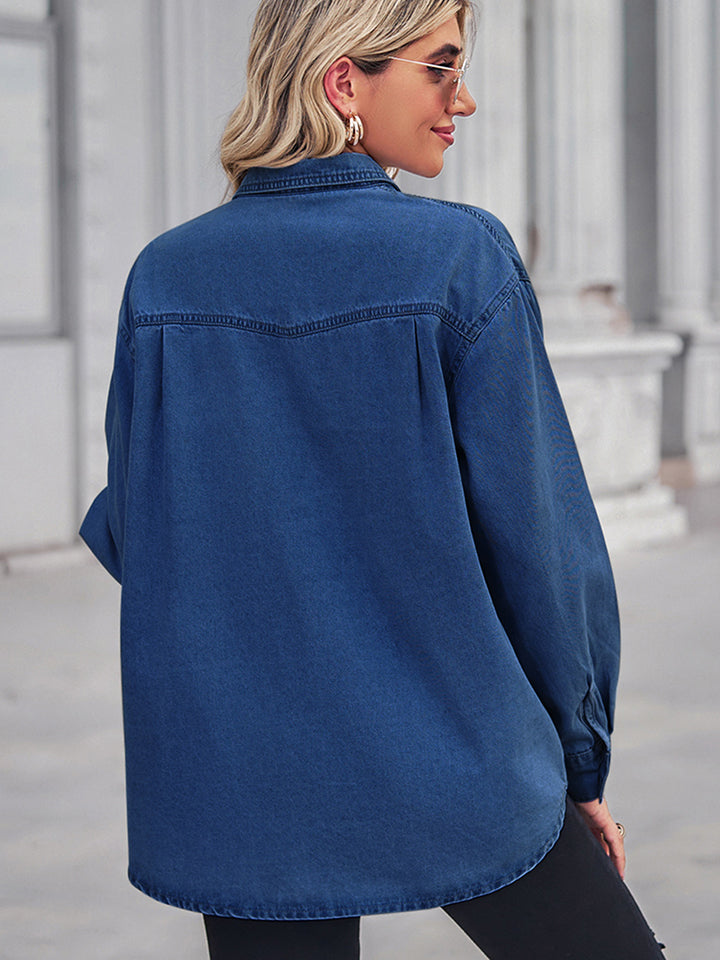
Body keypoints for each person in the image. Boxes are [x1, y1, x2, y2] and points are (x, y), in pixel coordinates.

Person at [79, 0, 667, 957]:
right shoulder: (458, 259)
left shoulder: (165, 277)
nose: (463, 100)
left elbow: (135, 527)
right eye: (440, 68)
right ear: (343, 81)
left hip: (246, 777)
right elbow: (542, 546)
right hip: (458, 748)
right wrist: (579, 762)